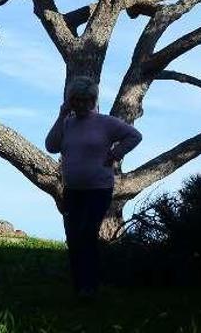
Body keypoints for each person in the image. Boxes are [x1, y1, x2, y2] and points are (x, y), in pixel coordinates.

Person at [45, 76, 141, 297]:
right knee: (74, 236)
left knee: (88, 233)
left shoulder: (106, 123)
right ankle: (79, 285)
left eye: (86, 100)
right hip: (72, 189)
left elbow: (134, 136)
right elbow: (51, 145)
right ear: (70, 100)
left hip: (98, 189)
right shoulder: (67, 123)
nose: (81, 104)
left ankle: (90, 286)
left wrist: (116, 153)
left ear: (93, 100)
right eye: (76, 100)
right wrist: (61, 116)